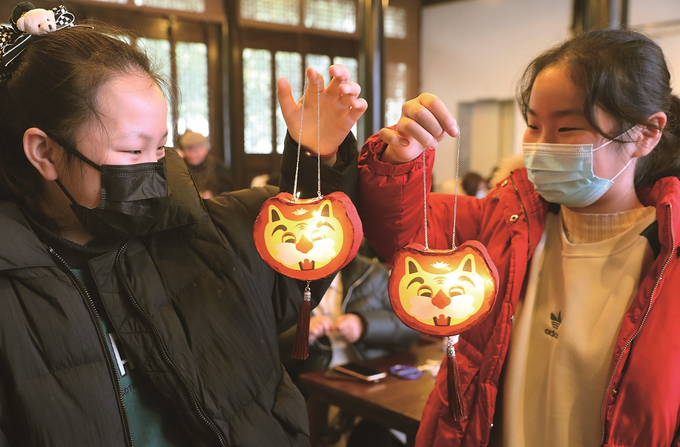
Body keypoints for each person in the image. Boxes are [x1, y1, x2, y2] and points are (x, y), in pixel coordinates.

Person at [0, 3, 366, 446]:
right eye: (133, 152)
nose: (153, 171)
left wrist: (314, 159)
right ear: (44, 152)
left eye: (159, 150)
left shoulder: (199, 230)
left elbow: (299, 248)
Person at [357, 29, 680, 446]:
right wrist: (400, 160)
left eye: (566, 129)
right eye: (532, 125)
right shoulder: (504, 221)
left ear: (646, 133)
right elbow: (401, 234)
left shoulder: (666, 258)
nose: (541, 148)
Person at [178, 130, 234, 198]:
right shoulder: (179, 168)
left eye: (196, 150)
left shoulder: (219, 168)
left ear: (206, 148)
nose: (193, 154)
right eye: (189, 149)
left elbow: (229, 193)